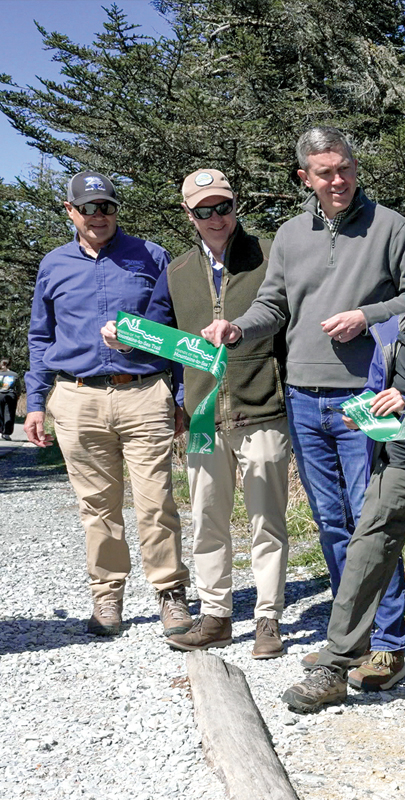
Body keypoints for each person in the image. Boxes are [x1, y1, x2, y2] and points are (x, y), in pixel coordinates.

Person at [202, 127, 405, 682]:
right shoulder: (291, 235)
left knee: (373, 519)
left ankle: (389, 642)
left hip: (366, 396)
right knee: (331, 522)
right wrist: (235, 329)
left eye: (345, 168)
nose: (338, 180)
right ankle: (350, 636)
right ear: (305, 178)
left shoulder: (390, 226)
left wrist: (366, 318)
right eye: (325, 173)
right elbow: (273, 306)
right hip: (301, 395)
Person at [101, 169, 290, 657]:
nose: (216, 218)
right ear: (189, 215)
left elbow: (288, 320)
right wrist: (126, 340)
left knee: (267, 520)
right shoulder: (177, 271)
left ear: (235, 206)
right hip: (203, 417)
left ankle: (268, 618)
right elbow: (159, 337)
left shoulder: (270, 255)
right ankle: (216, 615)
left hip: (262, 408)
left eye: (223, 207)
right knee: (208, 519)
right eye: (204, 210)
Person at [281, 245, 405, 712]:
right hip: (398, 463)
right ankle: (336, 663)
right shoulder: (391, 332)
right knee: (365, 555)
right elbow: (372, 388)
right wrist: (362, 413)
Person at [25, 171, 191, 638]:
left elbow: (174, 332)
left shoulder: (151, 256)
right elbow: (41, 337)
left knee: (157, 501)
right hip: (77, 398)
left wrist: (179, 397)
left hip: (144, 393)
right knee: (96, 506)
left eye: (107, 207)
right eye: (88, 208)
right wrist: (35, 402)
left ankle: (170, 594)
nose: (99, 217)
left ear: (116, 209)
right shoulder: (53, 264)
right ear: (70, 211)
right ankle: (107, 595)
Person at [0, 358, 19, 440]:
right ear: (9, 364)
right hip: (10, 395)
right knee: (9, 414)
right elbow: (18, 387)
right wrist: (17, 395)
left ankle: (0, 431)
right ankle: (6, 433)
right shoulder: (14, 374)